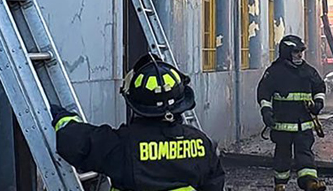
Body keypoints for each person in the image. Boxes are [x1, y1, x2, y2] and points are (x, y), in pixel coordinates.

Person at [51, 54, 225, 191]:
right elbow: (214, 184)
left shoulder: (122, 145)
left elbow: (75, 141)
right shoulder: (203, 144)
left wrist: (61, 115)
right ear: (181, 102)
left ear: (134, 103)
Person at [257, 35, 327, 191]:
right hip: (282, 125)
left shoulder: (308, 71)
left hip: (304, 125)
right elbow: (264, 93)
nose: (300, 55)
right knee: (282, 156)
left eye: (301, 51)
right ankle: (280, 185)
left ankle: (310, 183)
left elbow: (319, 88)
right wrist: (266, 112)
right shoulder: (274, 72)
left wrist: (318, 104)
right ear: (286, 51)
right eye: (296, 52)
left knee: (305, 154)